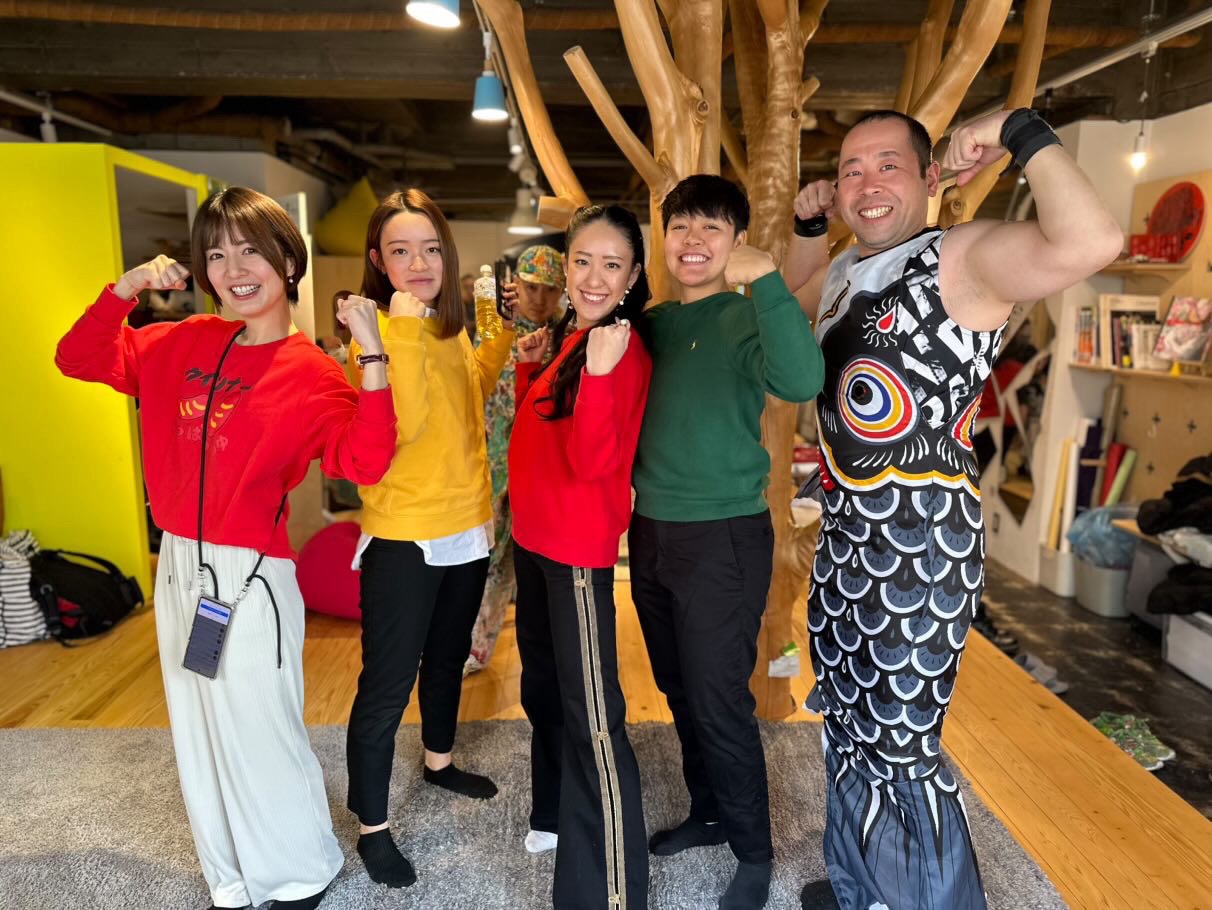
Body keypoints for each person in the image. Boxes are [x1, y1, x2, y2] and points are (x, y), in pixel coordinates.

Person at [783, 109, 1122, 910]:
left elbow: (1093, 240)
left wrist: (1017, 130)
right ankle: (864, 891)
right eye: (852, 168)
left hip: (919, 549)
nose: (867, 183)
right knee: (849, 730)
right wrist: (808, 224)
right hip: (846, 538)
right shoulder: (849, 266)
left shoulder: (960, 258)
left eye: (888, 165)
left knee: (902, 752)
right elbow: (791, 306)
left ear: (932, 176)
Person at [54, 186, 398, 910]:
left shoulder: (309, 371)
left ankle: (298, 872)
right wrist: (126, 289)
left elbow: (366, 460)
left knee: (259, 726)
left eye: (250, 250)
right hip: (178, 561)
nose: (234, 269)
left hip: (250, 575)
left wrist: (372, 355)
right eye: (216, 255)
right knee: (198, 726)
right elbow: (76, 356)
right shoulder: (179, 341)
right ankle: (233, 874)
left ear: (288, 262)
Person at [629, 174, 825, 910]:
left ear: (736, 242)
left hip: (724, 536)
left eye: (712, 227)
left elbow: (801, 379)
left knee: (718, 699)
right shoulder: (651, 323)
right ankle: (708, 812)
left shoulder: (749, 315)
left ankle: (753, 851)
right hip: (651, 529)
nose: (693, 240)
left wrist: (769, 279)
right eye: (681, 225)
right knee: (680, 687)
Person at [344, 188, 514, 889]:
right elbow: (403, 427)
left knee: (447, 658)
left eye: (430, 249)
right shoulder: (374, 336)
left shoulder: (446, 331)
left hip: (466, 527)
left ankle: (439, 762)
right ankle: (372, 826)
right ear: (378, 261)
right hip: (404, 538)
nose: (419, 264)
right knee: (386, 686)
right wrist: (402, 333)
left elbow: (469, 389)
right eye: (401, 251)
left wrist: (501, 335)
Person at [509, 207, 652, 908]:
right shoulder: (575, 337)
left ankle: (614, 891)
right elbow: (540, 429)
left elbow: (595, 462)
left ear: (632, 277)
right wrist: (530, 367)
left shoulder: (619, 347)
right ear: (566, 267)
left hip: (573, 551)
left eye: (612, 265)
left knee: (594, 716)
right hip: (533, 541)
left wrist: (597, 374)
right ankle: (553, 814)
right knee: (544, 693)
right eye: (584, 261)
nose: (595, 277)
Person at [466, 244, 566, 676]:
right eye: (531, 287)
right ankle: (463, 647)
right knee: (479, 560)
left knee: (522, 564)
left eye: (550, 289)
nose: (539, 298)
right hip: (489, 464)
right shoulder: (497, 327)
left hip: (540, 470)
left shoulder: (567, 335)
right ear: (517, 285)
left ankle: (499, 652)